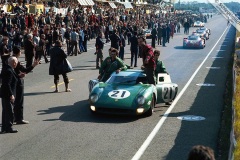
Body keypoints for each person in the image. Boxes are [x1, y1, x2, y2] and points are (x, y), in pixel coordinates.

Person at [12, 46, 39, 125]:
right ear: (19, 52)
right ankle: (19, 118)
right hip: (18, 82)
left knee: (15, 101)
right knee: (19, 101)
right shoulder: (16, 61)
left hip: (13, 82)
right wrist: (34, 65)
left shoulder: (10, 59)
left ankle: (14, 117)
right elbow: (25, 70)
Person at [1, 57, 18, 133]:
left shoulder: (6, 68)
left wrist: (18, 76)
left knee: (5, 111)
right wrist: (11, 94)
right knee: (9, 111)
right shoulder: (9, 71)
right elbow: (7, 84)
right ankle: (9, 127)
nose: (16, 64)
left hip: (4, 93)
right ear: (14, 62)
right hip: (7, 93)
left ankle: (4, 127)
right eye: (16, 62)